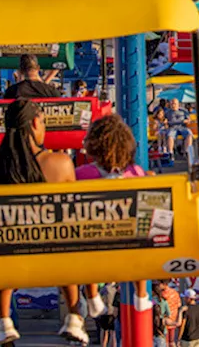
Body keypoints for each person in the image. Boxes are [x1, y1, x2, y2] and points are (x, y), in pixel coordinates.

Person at [0, 99, 85, 345]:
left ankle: (4, 319)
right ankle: (75, 315)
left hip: (6, 256)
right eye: (44, 122)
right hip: (51, 254)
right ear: (36, 123)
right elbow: (75, 208)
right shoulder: (59, 164)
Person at [77, 115, 152, 316]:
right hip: (128, 237)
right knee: (142, 246)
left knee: (85, 252)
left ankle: (92, 295)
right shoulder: (135, 172)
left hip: (96, 237)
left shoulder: (83, 174)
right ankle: (142, 293)